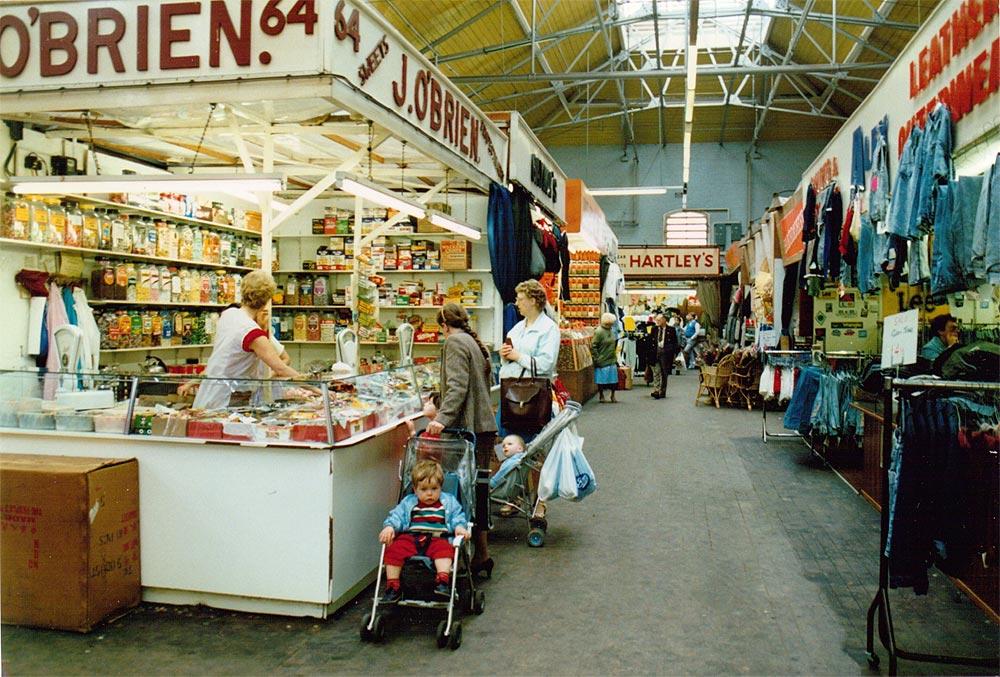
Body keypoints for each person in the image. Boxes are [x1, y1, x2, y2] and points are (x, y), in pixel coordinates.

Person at [426, 303, 497, 579]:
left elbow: (457, 386)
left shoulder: (454, 342)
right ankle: (481, 555)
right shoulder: (473, 341)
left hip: (466, 429)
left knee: (460, 492)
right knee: (477, 491)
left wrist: (441, 418)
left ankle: (458, 558)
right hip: (483, 425)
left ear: (443, 325)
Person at [187, 271, 300, 409]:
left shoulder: (228, 314)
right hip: (229, 400)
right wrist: (319, 389)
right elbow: (281, 368)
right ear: (267, 301)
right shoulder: (253, 333)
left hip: (208, 392)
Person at [378, 459, 470, 603]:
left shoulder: (449, 501)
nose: (429, 494)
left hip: (438, 538)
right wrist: (390, 526)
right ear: (415, 489)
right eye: (424, 489)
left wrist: (459, 527)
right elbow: (397, 516)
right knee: (394, 550)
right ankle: (393, 586)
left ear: (441, 487)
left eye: (434, 489)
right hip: (411, 537)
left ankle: (443, 581)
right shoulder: (409, 502)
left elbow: (457, 517)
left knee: (444, 550)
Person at [499, 279, 561, 432]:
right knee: (508, 441)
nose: (516, 303)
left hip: (533, 395)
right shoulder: (518, 327)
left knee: (527, 441)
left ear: (533, 301)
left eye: (520, 299)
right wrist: (505, 355)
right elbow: (509, 358)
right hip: (510, 391)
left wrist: (517, 356)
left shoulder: (548, 329)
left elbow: (546, 364)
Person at [592, 312, 619, 403]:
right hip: (602, 359)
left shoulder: (611, 330)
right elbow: (593, 346)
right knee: (601, 380)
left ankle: (612, 395)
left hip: (611, 358)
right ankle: (601, 395)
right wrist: (597, 357)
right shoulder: (599, 331)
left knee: (613, 380)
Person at [651, 314, 680, 399]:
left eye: (659, 320)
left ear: (664, 320)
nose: (657, 322)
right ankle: (656, 390)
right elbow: (651, 341)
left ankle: (662, 391)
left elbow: (675, 343)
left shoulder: (671, 330)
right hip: (656, 352)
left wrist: (672, 352)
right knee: (656, 371)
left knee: (664, 373)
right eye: (656, 320)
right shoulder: (654, 329)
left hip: (666, 353)